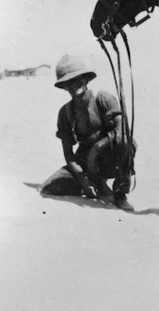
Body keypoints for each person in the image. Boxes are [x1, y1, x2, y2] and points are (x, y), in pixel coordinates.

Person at [40, 55, 135, 211]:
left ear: (86, 79)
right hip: (85, 162)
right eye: (67, 82)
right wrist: (83, 178)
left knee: (125, 143)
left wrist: (96, 150)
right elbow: (68, 153)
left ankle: (120, 194)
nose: (72, 85)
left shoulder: (104, 99)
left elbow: (122, 131)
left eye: (77, 79)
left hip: (110, 157)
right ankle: (96, 184)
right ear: (63, 86)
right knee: (49, 187)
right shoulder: (65, 112)